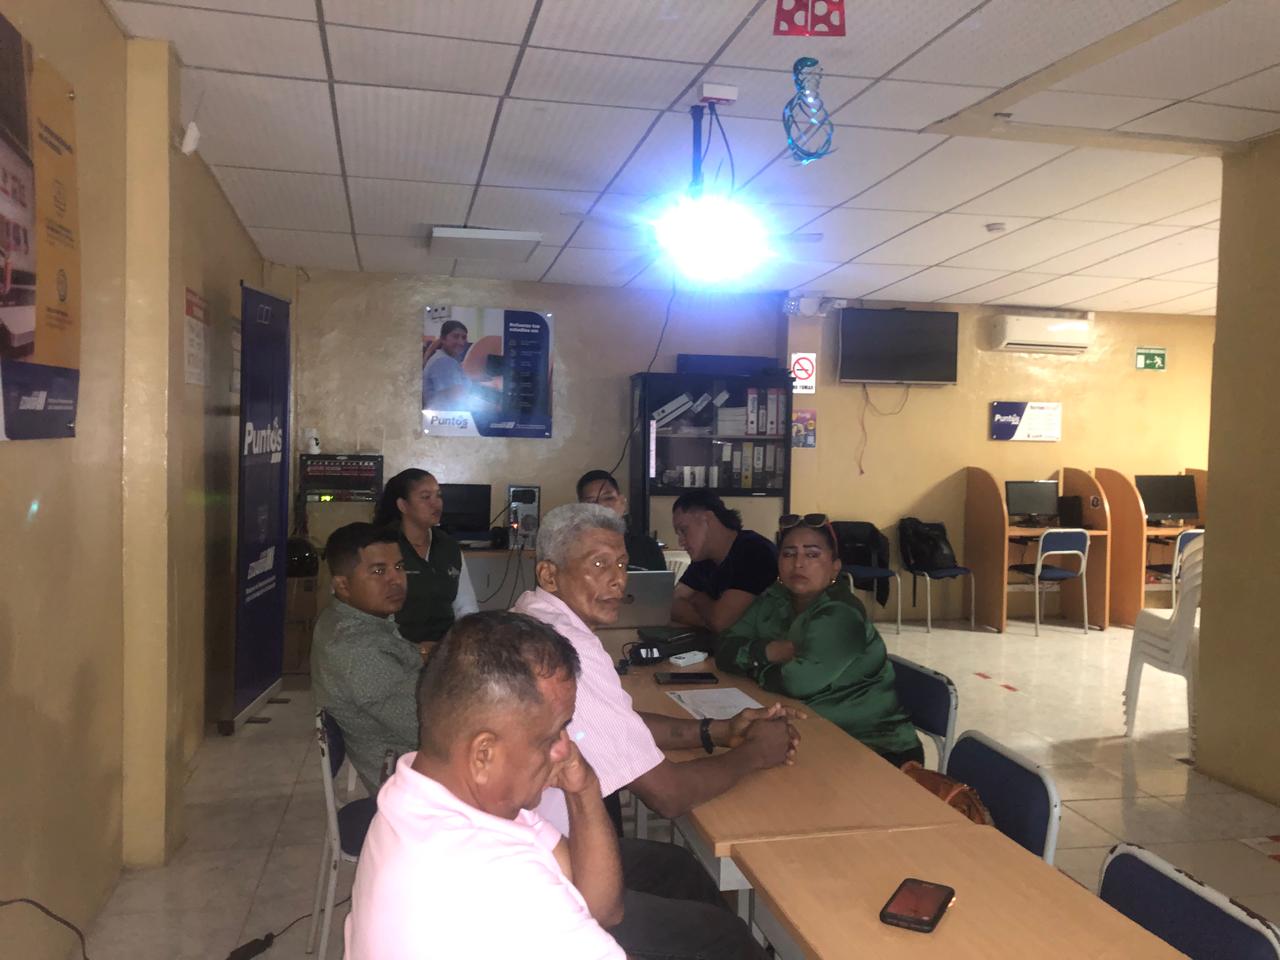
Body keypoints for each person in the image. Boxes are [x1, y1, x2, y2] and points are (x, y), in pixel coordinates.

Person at [514, 502, 794, 960]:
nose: (617, 580)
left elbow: (618, 724)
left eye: (622, 564)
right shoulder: (561, 646)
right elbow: (668, 796)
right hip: (544, 879)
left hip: (548, 843)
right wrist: (755, 753)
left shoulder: (539, 616)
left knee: (680, 868)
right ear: (549, 575)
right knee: (723, 936)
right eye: (599, 564)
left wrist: (717, 731)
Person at [346, 611, 627, 960]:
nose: (564, 750)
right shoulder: (497, 878)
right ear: (483, 755)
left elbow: (599, 907)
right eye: (551, 736)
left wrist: (583, 787)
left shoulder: (419, 792)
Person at [716, 513, 924, 767]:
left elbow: (797, 682)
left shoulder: (842, 613)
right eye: (789, 554)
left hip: (874, 747)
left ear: (835, 567)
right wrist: (770, 652)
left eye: (812, 555)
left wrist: (754, 663)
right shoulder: (774, 597)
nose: (798, 564)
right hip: (811, 732)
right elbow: (724, 649)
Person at [310, 523, 420, 792]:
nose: (396, 579)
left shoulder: (344, 616)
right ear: (343, 585)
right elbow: (433, 731)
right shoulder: (360, 650)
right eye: (379, 571)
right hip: (417, 780)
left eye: (399, 567)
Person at [372, 468, 478, 647]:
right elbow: (373, 613)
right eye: (425, 497)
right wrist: (413, 650)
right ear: (403, 505)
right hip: (395, 648)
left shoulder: (449, 547)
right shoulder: (383, 546)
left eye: (438, 496)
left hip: (445, 649)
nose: (436, 504)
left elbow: (466, 608)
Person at [670, 490, 778, 633]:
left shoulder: (755, 551)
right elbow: (671, 605)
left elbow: (720, 621)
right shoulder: (703, 559)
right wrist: (708, 616)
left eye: (684, 530)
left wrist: (696, 598)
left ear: (708, 518)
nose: (680, 542)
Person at [576, 468, 666, 571]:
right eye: (591, 502)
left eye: (608, 498)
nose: (601, 506)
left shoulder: (647, 547)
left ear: (622, 502)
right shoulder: (573, 549)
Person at [421, 319, 471, 410]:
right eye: (456, 336)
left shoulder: (444, 358)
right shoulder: (444, 361)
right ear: (443, 339)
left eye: (464, 337)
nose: (461, 342)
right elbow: (456, 398)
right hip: (445, 416)